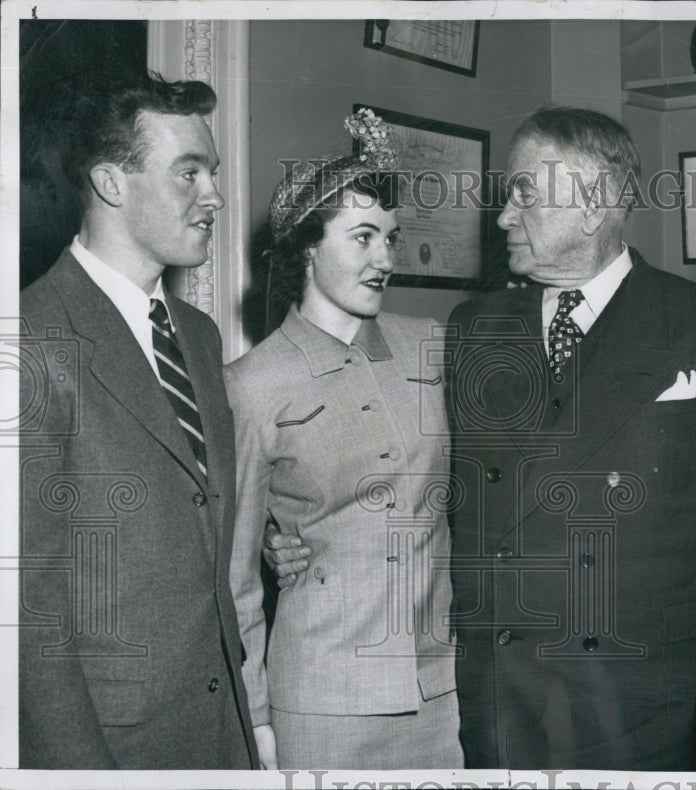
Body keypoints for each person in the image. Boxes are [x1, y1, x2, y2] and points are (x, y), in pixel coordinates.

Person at [270, 106, 696, 769]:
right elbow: (413, 475)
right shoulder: (474, 329)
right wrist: (291, 530)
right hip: (495, 700)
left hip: (637, 704)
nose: (502, 219)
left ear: (591, 205)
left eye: (523, 194)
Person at [18, 71, 257, 768]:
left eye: (212, 171)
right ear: (112, 183)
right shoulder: (30, 343)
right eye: (189, 173)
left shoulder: (200, 336)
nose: (214, 195)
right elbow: (29, 610)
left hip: (219, 730)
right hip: (112, 748)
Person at [225, 114, 461, 770]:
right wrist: (258, 721)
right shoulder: (251, 385)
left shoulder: (431, 347)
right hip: (320, 699)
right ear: (308, 249)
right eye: (362, 237)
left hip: (439, 691)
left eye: (390, 237)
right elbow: (236, 576)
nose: (386, 258)